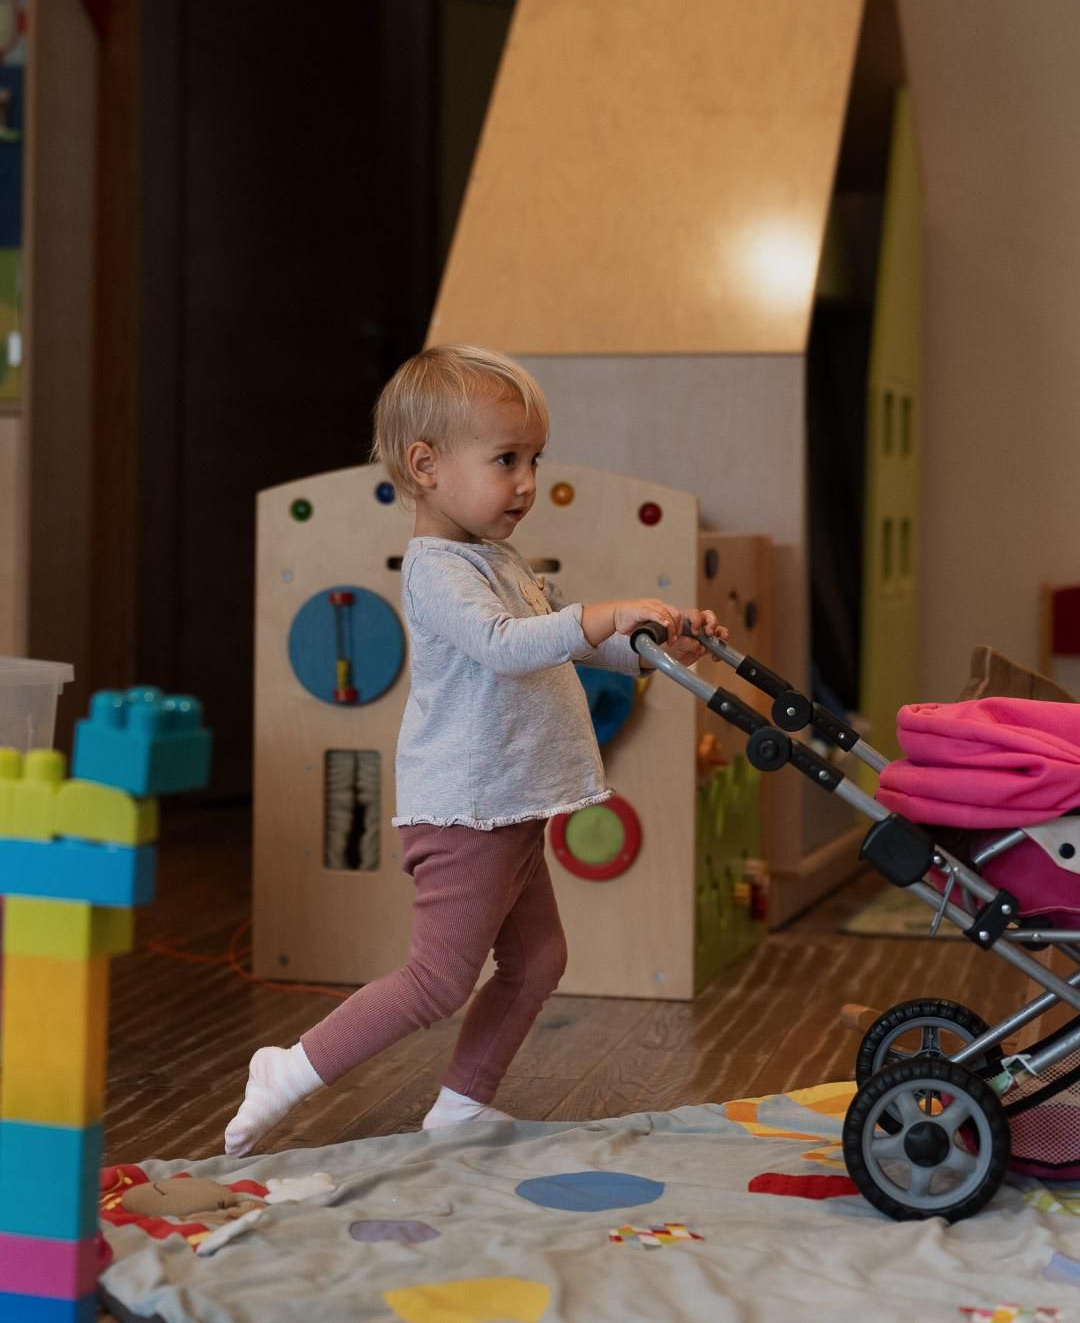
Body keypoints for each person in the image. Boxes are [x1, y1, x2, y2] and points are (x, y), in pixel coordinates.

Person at [224, 343, 727, 1156]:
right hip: (466, 810)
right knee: (436, 982)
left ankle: (461, 1108)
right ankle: (289, 1068)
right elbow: (505, 644)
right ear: (426, 466)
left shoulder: (494, 560)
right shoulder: (437, 571)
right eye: (506, 460)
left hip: (508, 804)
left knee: (538, 962)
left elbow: (564, 644)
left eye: (534, 460)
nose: (526, 482)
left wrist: (654, 647)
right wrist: (601, 611)